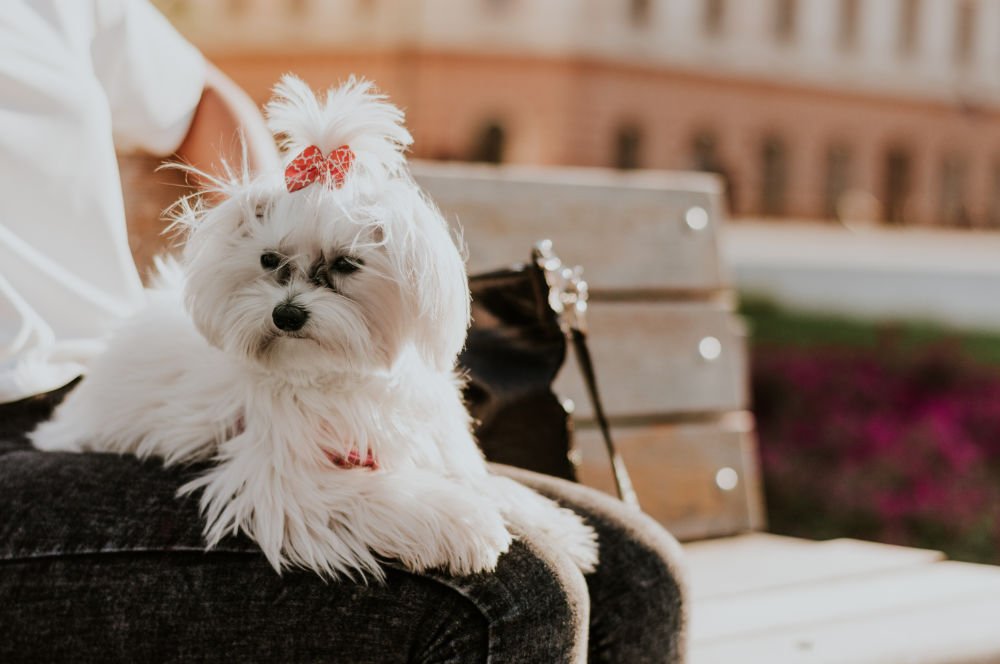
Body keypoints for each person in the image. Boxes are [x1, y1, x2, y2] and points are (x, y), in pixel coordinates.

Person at [0, 2, 686, 661]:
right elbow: (281, 493)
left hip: (83, 380)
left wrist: (288, 224)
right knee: (508, 596)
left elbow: (200, 101)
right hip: (39, 443)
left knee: (638, 575)